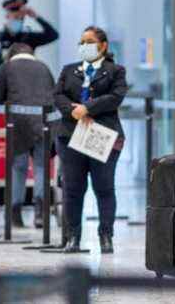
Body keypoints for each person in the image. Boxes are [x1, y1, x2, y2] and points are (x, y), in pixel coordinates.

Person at [54, 26, 128, 254]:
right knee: (72, 189)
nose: (84, 46)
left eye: (89, 41)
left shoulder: (115, 70)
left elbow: (116, 97)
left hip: (102, 135)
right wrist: (73, 110)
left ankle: (106, 235)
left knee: (104, 188)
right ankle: (72, 236)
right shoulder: (69, 70)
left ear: (103, 45)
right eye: (81, 41)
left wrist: (87, 108)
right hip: (70, 136)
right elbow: (58, 95)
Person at [0, 43, 56, 229]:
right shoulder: (44, 67)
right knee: (42, 166)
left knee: (19, 167)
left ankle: (14, 214)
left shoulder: (7, 67)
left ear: (11, 55)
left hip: (18, 122)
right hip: (44, 120)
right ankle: (40, 213)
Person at [0, 0, 59, 95]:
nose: (19, 21)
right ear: (7, 16)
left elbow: (53, 35)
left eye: (22, 18)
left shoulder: (28, 38)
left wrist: (36, 17)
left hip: (23, 91)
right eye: (16, 17)